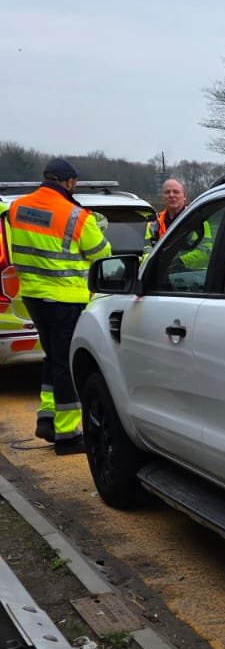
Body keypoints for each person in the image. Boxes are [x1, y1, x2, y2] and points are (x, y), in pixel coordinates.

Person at [6, 158, 111, 453]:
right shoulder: (77, 216)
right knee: (66, 364)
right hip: (66, 299)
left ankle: (48, 418)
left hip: (32, 296)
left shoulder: (17, 208)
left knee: (53, 358)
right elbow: (102, 253)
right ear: (68, 182)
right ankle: (66, 435)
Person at [143, 177, 188, 250]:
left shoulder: (195, 217)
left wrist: (179, 260)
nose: (171, 195)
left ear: (184, 196)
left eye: (176, 192)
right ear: (163, 197)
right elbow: (146, 250)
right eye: (167, 192)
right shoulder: (153, 222)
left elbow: (204, 250)